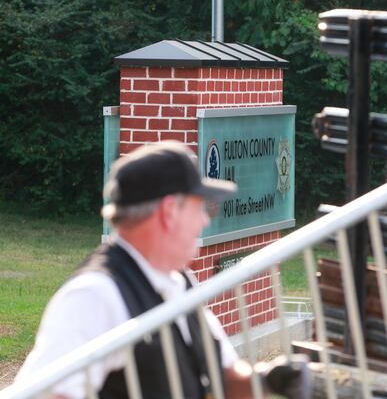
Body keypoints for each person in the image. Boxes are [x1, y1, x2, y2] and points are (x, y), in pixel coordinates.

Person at [16, 141, 310, 398]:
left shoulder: (180, 282)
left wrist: (271, 380)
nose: (205, 221)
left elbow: (227, 378)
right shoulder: (95, 294)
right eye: (200, 208)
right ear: (169, 212)